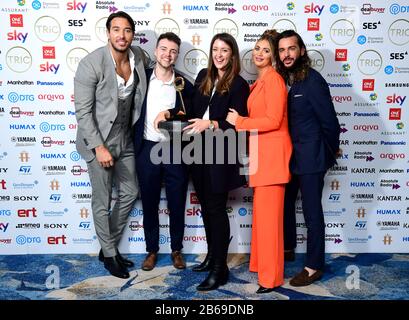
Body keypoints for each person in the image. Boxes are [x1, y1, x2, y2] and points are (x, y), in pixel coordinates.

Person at [74, 11, 149, 279]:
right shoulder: (91, 63)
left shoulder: (138, 56)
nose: (122, 35)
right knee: (102, 199)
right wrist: (99, 147)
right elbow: (83, 112)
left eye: (127, 30)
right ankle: (110, 253)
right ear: (108, 32)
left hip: (124, 136)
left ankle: (107, 248)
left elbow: (161, 67)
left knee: (130, 191)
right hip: (99, 139)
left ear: (132, 34)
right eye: (116, 29)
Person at [226, 30, 292, 294]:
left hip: (273, 161)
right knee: (262, 222)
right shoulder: (261, 81)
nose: (259, 53)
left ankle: (271, 278)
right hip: (262, 160)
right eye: (257, 48)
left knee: (270, 225)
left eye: (266, 50)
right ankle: (260, 267)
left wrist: (239, 122)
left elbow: (273, 121)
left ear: (274, 55)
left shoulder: (274, 80)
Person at [183, 33, 249, 291]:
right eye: (215, 50)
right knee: (206, 208)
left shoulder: (239, 85)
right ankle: (212, 256)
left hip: (221, 153)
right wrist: (170, 112)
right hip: (198, 151)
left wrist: (210, 123)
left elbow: (235, 126)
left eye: (224, 50)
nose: (219, 55)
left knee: (216, 209)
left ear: (232, 54)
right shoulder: (203, 76)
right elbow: (191, 110)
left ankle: (220, 269)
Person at [275, 30, 340, 286]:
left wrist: (326, 154)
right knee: (286, 204)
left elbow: (331, 124)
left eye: (291, 49)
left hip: (312, 158)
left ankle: (314, 266)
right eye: (281, 50)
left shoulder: (313, 81)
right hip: (289, 158)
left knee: (312, 214)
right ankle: (288, 247)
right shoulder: (284, 79)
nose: (286, 54)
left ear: (301, 51)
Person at [133, 32, 193, 272]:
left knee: (178, 202)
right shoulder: (142, 79)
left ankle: (177, 250)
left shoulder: (183, 83)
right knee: (149, 203)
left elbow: (190, 113)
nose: (168, 55)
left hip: (174, 150)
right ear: (156, 51)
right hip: (147, 148)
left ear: (177, 55)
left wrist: (170, 111)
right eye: (164, 49)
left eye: (173, 51)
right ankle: (151, 250)